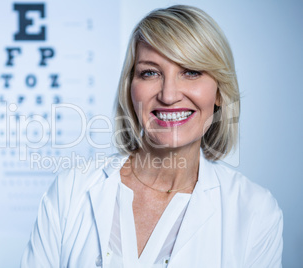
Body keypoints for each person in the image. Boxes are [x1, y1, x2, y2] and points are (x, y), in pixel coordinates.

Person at [21, 5, 283, 267]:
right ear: (131, 89)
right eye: (150, 73)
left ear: (218, 92)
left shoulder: (255, 211)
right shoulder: (71, 191)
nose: (168, 95)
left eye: (191, 71)